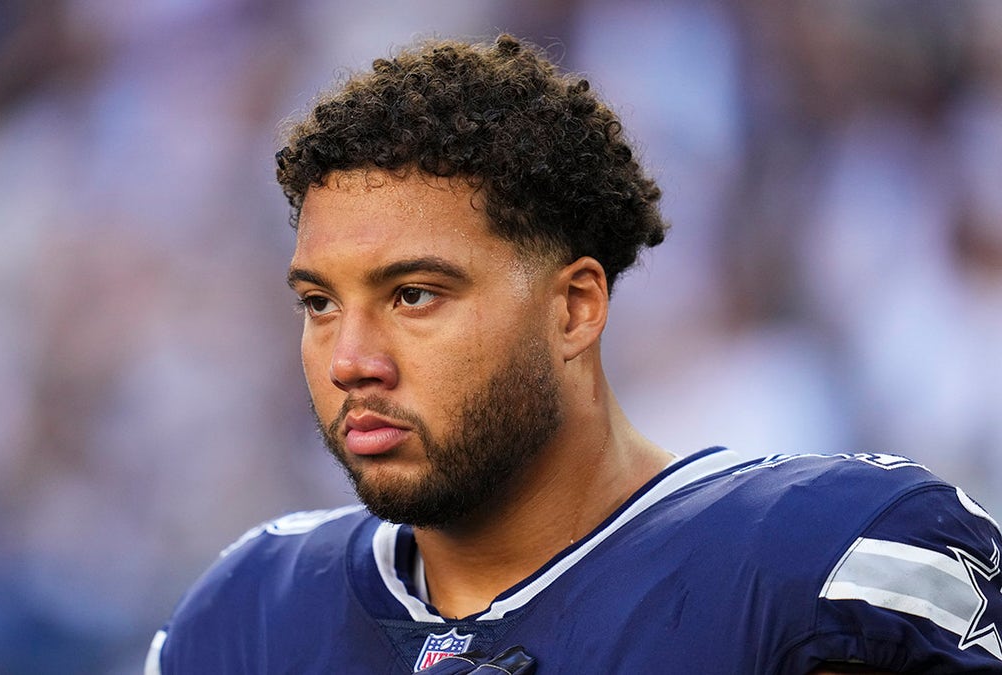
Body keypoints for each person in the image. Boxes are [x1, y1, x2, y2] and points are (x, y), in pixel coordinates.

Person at [145, 35, 1002, 674]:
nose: (351, 360)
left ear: (574, 307)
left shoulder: (821, 564)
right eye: (321, 304)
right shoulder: (245, 614)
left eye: (414, 295)